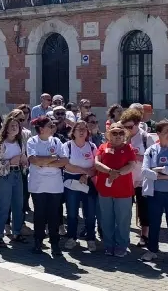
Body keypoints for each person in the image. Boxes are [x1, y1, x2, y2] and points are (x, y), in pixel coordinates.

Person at [139, 119, 168, 264]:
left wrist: (162, 170)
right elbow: (145, 171)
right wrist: (164, 175)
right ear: (158, 133)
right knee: (154, 223)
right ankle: (152, 250)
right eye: (166, 131)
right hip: (155, 194)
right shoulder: (151, 150)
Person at [93, 122, 139, 257]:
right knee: (106, 219)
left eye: (121, 133)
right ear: (108, 134)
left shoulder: (128, 148)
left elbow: (131, 165)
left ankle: (122, 245)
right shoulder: (102, 147)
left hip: (123, 191)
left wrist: (116, 173)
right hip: (105, 190)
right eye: (114, 133)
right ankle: (108, 245)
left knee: (123, 220)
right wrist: (110, 171)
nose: (118, 135)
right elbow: (96, 163)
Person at [27, 116, 68, 255]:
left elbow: (64, 161)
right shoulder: (32, 141)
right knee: (39, 214)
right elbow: (33, 160)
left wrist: (43, 162)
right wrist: (52, 158)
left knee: (54, 215)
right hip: (38, 184)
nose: (53, 128)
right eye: (50, 126)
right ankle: (38, 241)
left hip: (55, 185)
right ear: (42, 129)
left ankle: (55, 243)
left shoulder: (57, 141)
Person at [0, 115, 28, 248]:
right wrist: (10, 162)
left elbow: (24, 159)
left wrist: (24, 162)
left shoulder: (20, 143)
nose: (14, 128)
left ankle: (17, 233)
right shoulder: (0, 144)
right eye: (11, 125)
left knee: (19, 205)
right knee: (3, 207)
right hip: (5, 176)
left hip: (18, 174)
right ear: (6, 128)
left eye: (16, 126)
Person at [62, 120, 99, 251]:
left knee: (90, 213)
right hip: (71, 182)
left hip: (88, 182)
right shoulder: (67, 146)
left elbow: (96, 166)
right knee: (72, 213)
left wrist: (87, 175)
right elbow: (67, 165)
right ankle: (72, 238)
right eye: (79, 129)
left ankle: (90, 239)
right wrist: (84, 172)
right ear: (74, 132)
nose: (82, 131)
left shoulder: (92, 146)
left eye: (84, 129)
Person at [120, 108, 150, 245]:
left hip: (141, 179)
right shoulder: (123, 137)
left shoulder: (145, 137)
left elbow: (152, 158)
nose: (127, 129)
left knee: (143, 208)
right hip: (126, 178)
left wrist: (134, 156)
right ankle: (123, 234)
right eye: (124, 127)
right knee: (125, 209)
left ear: (138, 124)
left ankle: (145, 235)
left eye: (130, 127)